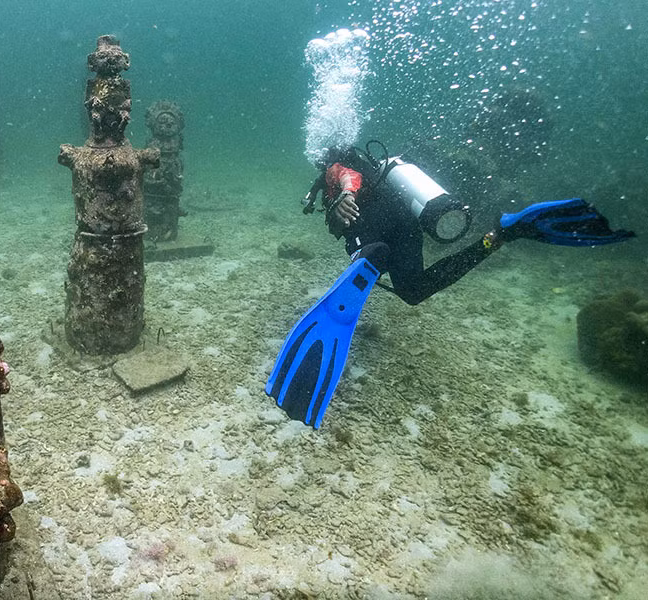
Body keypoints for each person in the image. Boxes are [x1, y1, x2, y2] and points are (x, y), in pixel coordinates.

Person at [266, 141, 635, 428]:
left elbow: (347, 179)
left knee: (366, 254)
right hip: (406, 224)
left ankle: (369, 257)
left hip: (372, 227)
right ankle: (499, 235)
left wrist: (345, 194)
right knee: (413, 290)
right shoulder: (368, 175)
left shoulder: (336, 166)